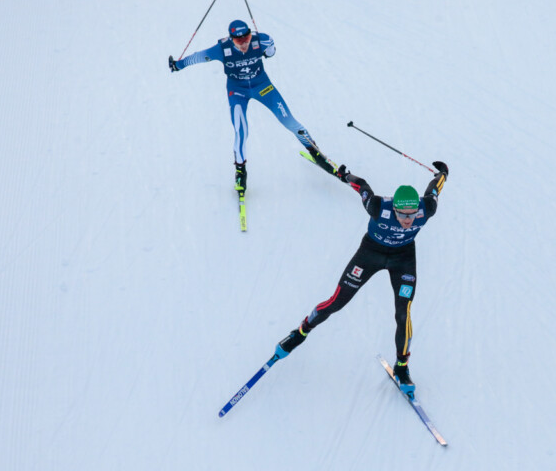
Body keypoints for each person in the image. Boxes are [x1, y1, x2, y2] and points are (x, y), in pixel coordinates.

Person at [273, 160, 449, 394]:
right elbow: (362, 186)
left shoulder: (426, 208)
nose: (408, 220)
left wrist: (443, 173)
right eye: (403, 214)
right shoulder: (378, 207)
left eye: (412, 214)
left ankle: (402, 367)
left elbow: (434, 189)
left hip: (403, 258)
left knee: (403, 313)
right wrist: (345, 175)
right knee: (336, 301)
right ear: (394, 209)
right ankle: (301, 331)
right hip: (371, 253)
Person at [168, 20, 338, 193]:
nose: (244, 43)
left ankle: (315, 152)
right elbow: (198, 56)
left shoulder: (260, 40)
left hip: (263, 87)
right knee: (241, 131)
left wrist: (270, 49)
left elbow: (271, 51)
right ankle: (240, 172)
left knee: (289, 121)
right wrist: (178, 65)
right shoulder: (222, 49)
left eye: (247, 38)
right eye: (238, 41)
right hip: (238, 91)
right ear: (231, 38)